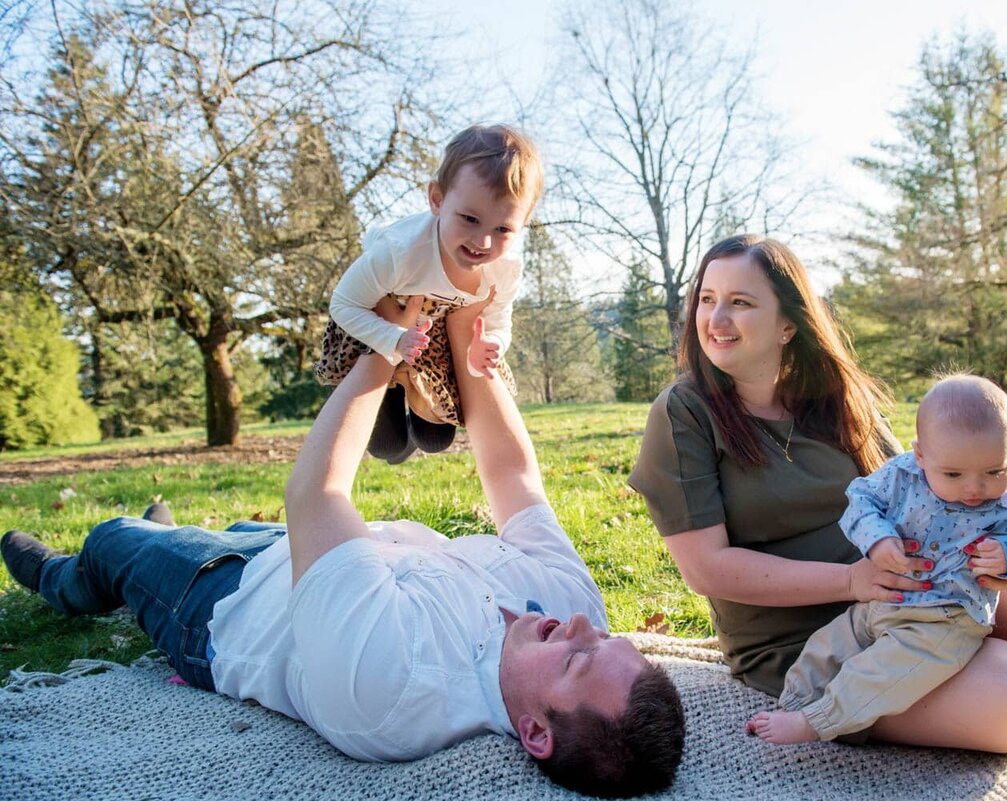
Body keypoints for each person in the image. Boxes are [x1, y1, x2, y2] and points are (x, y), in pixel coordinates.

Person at [2, 302, 685, 798]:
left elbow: (316, 495)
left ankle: (68, 577)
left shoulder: (396, 687)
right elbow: (512, 476)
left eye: (573, 658)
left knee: (115, 541)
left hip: (222, 601)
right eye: (605, 637)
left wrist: (380, 353)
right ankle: (164, 528)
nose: (579, 624)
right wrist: (468, 334)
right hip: (331, 552)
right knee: (214, 531)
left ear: (536, 732)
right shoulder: (575, 607)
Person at [628, 233, 1007, 753]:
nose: (716, 319)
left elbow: (933, 485)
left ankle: (960, 653)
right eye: (707, 299)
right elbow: (706, 569)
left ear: (789, 323)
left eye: (740, 302)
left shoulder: (834, 395)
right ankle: (939, 673)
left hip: (926, 588)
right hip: (806, 636)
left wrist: (1002, 560)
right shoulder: (684, 411)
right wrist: (854, 580)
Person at [746, 374, 1007, 744]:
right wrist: (878, 539)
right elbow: (861, 499)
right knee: (826, 648)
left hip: (945, 620)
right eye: (953, 474)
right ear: (921, 454)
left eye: (994, 471)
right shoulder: (903, 474)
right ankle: (793, 704)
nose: (974, 488)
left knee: (883, 671)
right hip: (882, 603)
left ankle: (817, 721)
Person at [314, 123, 543, 463]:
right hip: (380, 318)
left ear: (523, 224)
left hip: (436, 335)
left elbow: (498, 319)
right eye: (469, 219)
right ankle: (393, 405)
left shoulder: (504, 269)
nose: (482, 242)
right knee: (384, 445)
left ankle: (413, 423)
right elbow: (344, 304)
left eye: (503, 229)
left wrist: (493, 342)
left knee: (435, 439)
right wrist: (392, 338)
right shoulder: (399, 253)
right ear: (437, 199)